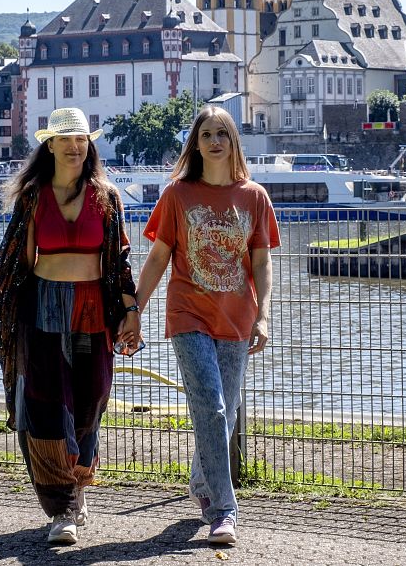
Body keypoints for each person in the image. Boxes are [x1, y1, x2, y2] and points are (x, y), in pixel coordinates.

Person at [0, 106, 141, 546]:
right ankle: (62, 509)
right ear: (49, 145)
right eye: (65, 139)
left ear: (89, 145)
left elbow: (120, 261)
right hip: (45, 307)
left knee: (91, 401)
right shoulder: (32, 196)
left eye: (81, 139)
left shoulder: (106, 197)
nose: (74, 146)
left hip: (93, 309)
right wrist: (13, 314)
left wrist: (131, 309)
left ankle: (78, 486)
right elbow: (17, 260)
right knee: (48, 404)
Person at [134, 105, 280, 546]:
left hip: (236, 319)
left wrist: (264, 314)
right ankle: (223, 509)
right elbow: (159, 256)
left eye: (223, 133)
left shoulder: (254, 196)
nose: (215, 141)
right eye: (206, 135)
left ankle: (202, 482)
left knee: (222, 411)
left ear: (234, 141)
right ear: (195, 145)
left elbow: (261, 260)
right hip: (188, 315)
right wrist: (135, 309)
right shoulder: (178, 195)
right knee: (213, 408)